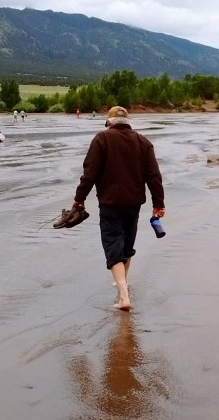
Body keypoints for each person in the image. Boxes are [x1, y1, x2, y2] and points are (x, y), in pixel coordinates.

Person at [70, 106, 165, 311]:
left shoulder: (101, 139)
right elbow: (154, 176)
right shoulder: (143, 142)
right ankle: (123, 281)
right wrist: (159, 203)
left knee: (113, 245)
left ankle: (123, 295)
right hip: (133, 203)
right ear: (127, 121)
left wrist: (79, 199)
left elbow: (90, 174)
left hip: (110, 203)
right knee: (126, 245)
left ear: (109, 121)